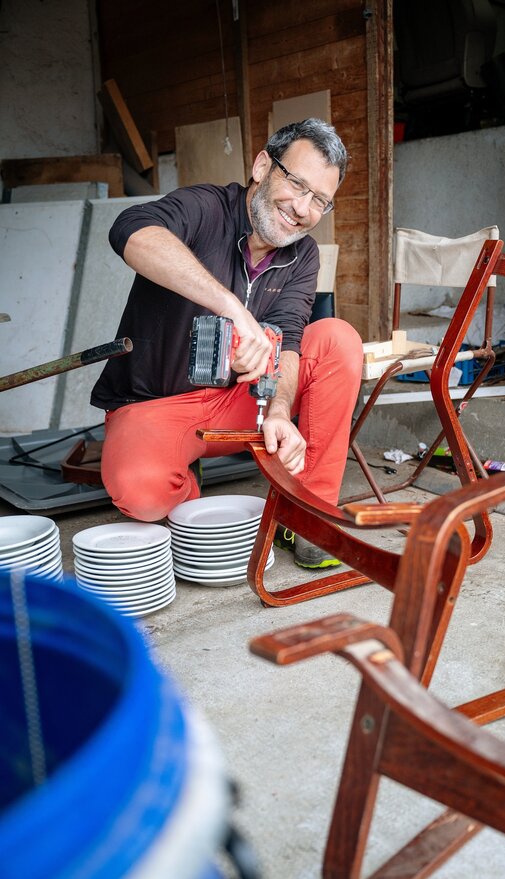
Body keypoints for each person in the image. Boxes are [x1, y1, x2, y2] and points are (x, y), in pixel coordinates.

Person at [91, 118, 363, 569]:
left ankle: (310, 515)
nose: (302, 208)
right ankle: (193, 507)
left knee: (336, 338)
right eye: (297, 184)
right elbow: (130, 230)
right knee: (142, 494)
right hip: (157, 402)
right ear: (262, 166)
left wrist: (278, 409)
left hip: (244, 400)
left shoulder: (303, 254)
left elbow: (290, 340)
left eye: (320, 201)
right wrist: (232, 307)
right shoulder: (207, 207)